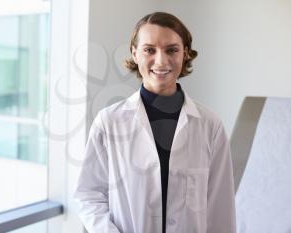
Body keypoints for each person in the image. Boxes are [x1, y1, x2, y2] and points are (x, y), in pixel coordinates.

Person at [74, 12, 236, 233]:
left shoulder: (210, 126)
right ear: (135, 54)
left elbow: (221, 210)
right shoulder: (109, 122)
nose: (161, 61)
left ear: (185, 54)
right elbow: (89, 194)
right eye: (149, 50)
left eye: (172, 50)